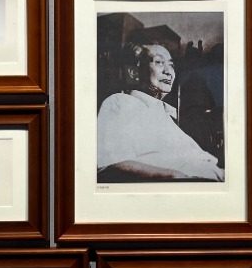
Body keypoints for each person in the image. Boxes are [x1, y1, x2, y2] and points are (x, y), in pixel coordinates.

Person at [96, 42, 224, 182]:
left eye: (171, 65)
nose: (169, 72)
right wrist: (176, 177)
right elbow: (110, 164)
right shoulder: (120, 102)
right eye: (159, 62)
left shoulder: (167, 114)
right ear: (133, 72)